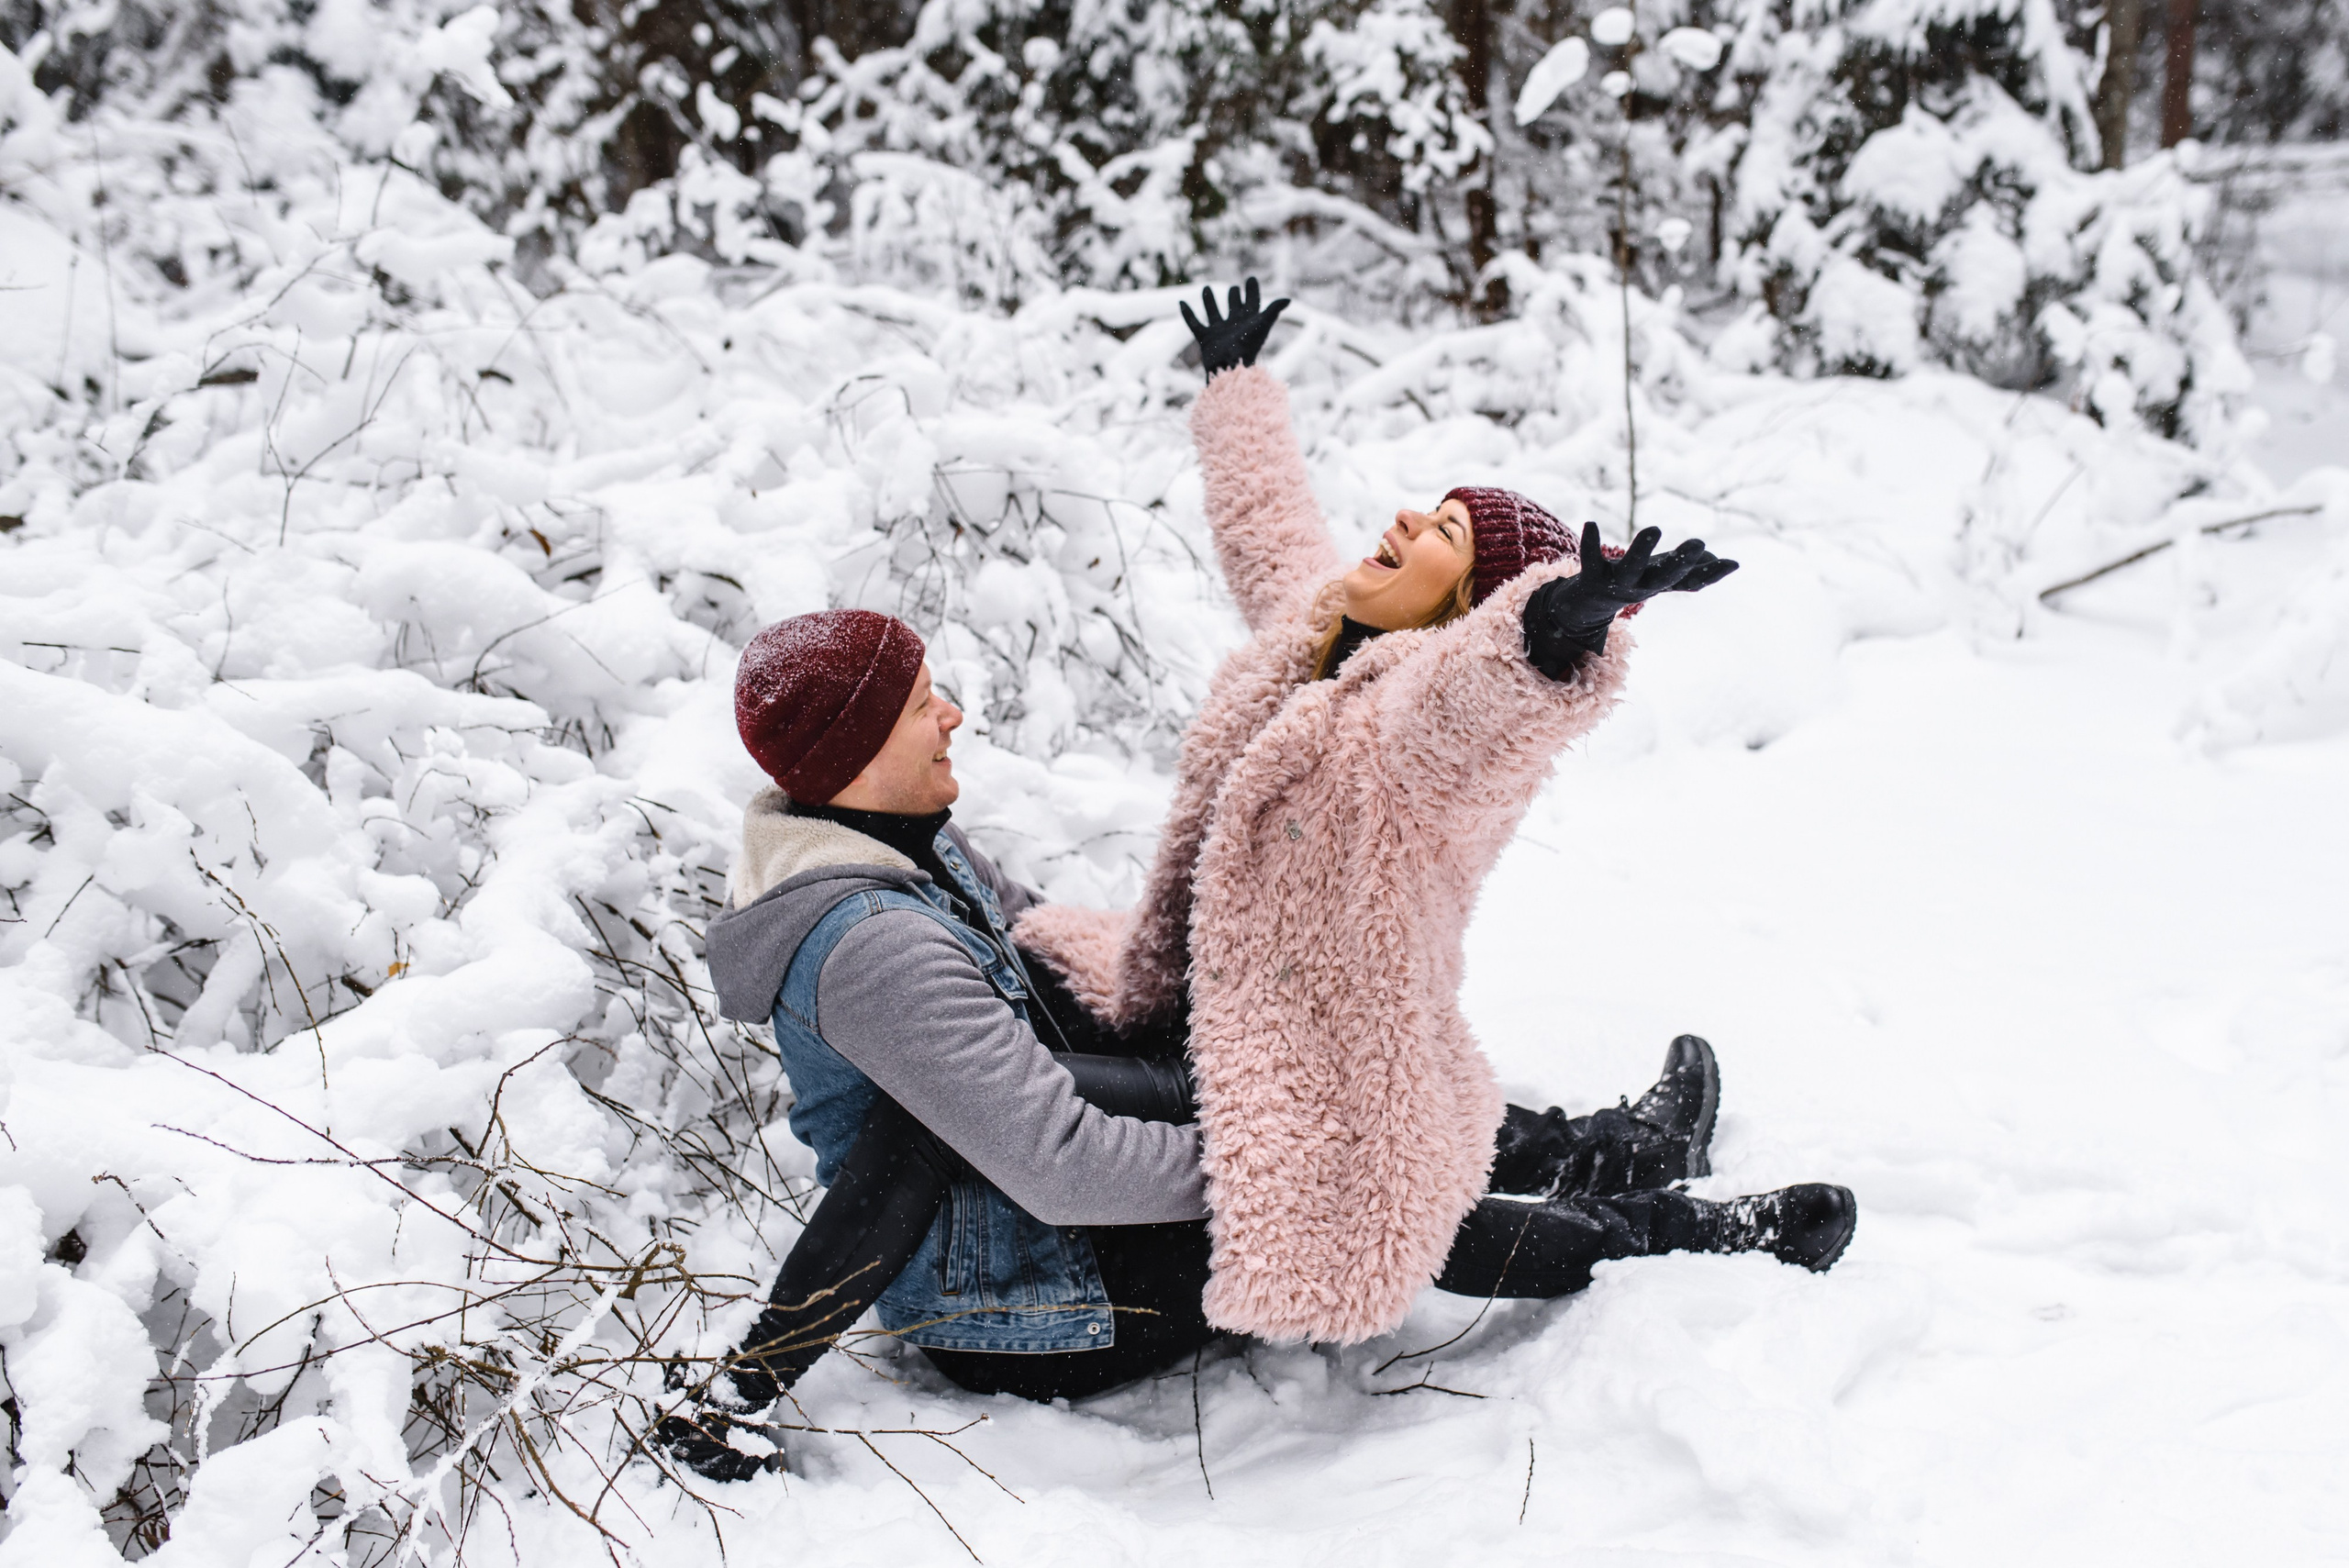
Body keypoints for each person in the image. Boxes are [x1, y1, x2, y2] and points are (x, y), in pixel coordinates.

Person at [659, 283, 1855, 1480]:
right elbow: (1271, 531)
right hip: (1135, 1150)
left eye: (1443, 533)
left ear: (1465, 611)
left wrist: (1553, 631)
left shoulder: (1422, 715)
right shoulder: (1322, 632)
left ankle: (1614, 1164)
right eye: (1430, 510)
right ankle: (1648, 1208)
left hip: (1333, 992)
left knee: (1374, 1136)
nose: (1407, 521)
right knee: (1361, 1163)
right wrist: (1235, 396)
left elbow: (1477, 707)